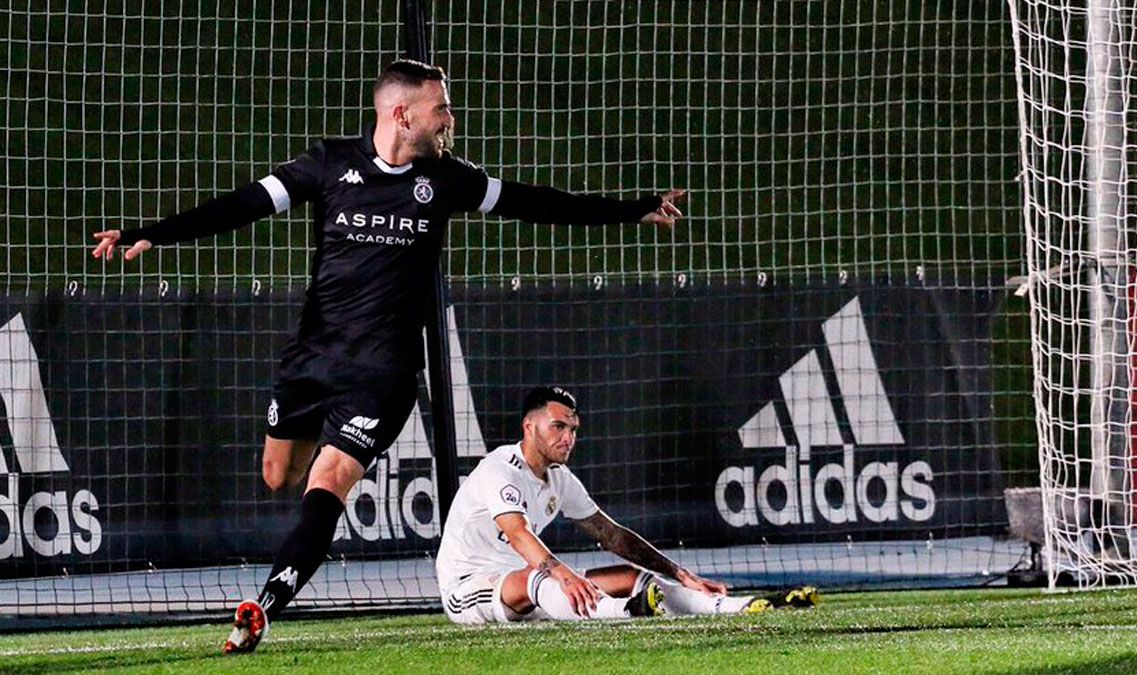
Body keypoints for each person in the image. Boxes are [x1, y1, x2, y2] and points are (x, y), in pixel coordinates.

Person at [90, 59, 686, 654]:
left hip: (383, 373)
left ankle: (265, 606)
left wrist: (634, 207)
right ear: (402, 113)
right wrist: (155, 233)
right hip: (311, 359)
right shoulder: (328, 164)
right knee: (280, 475)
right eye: (441, 108)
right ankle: (282, 561)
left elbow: (539, 202)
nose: (450, 119)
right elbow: (242, 204)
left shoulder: (445, 178)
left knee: (329, 481)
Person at [435, 385, 818, 624]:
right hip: (469, 589)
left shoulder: (559, 479)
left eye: (573, 430)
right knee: (541, 577)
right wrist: (566, 576)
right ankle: (624, 613)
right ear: (529, 427)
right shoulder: (500, 468)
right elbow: (518, 535)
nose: (569, 438)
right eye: (558, 427)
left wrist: (679, 571)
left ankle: (742, 607)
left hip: (532, 587)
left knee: (633, 577)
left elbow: (611, 533)